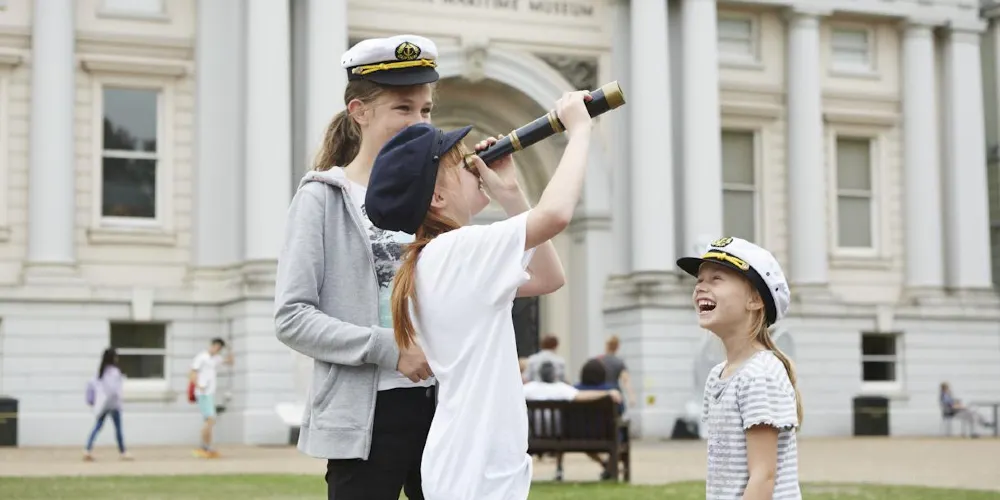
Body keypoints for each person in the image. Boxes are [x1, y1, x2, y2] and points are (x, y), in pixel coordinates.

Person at [364, 90, 594, 500]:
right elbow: (556, 215)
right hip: (473, 474)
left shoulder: (441, 257)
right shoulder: (456, 250)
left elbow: (548, 277)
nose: (475, 166)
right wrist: (578, 131)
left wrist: (511, 194)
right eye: (461, 164)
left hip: (472, 468)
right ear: (437, 198)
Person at [274, 34, 440, 500]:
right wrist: (391, 349)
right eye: (403, 108)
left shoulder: (437, 196)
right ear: (359, 112)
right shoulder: (322, 198)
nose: (419, 123)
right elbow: (292, 318)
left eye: (426, 110)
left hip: (443, 407)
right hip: (364, 419)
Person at [676, 236, 802, 499]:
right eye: (699, 280)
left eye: (716, 278)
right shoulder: (718, 376)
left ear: (755, 300)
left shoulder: (760, 375)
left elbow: (763, 477)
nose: (700, 287)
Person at [524, 360, 621, 481]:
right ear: (554, 375)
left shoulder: (528, 389)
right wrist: (607, 393)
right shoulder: (562, 389)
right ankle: (605, 467)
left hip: (533, 436)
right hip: (560, 435)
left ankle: (558, 469)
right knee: (562, 427)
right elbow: (582, 396)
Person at [83, 348, 130, 461]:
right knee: (118, 429)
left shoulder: (100, 372)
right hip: (113, 403)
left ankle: (87, 449)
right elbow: (115, 389)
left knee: (98, 426)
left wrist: (93, 400)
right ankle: (123, 451)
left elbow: (91, 385)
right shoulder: (115, 372)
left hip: (103, 404)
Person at [189, 337, 233, 458]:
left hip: (210, 392)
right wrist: (198, 386)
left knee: (209, 420)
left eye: (219, 348)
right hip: (203, 393)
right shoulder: (201, 357)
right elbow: (192, 373)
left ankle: (206, 446)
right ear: (211, 345)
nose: (216, 350)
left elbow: (230, 361)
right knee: (210, 419)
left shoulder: (216, 359)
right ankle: (204, 447)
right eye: (215, 347)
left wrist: (230, 349)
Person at [597, 335, 636, 408]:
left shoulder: (598, 361)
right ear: (617, 347)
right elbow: (626, 381)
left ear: (606, 346)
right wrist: (632, 397)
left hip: (601, 392)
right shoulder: (619, 362)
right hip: (615, 394)